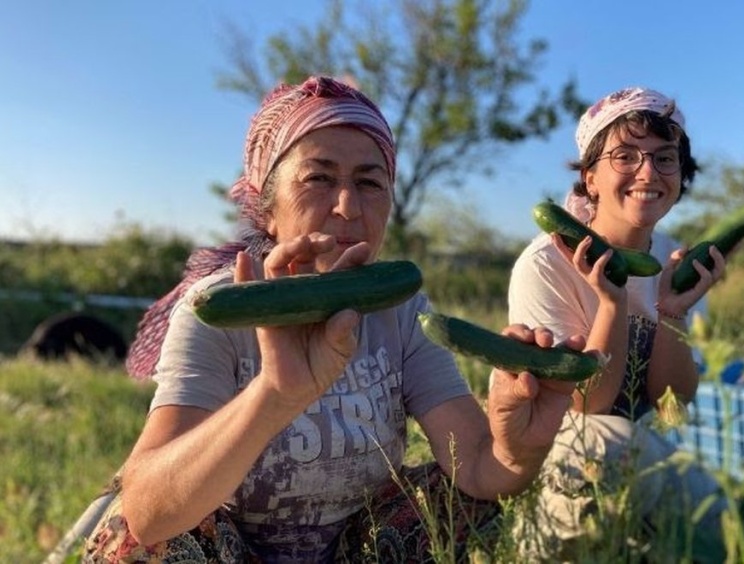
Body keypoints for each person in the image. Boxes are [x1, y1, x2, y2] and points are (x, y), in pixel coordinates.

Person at [83, 75, 582, 563]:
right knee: (134, 545)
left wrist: (516, 451)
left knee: (464, 499)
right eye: (318, 178)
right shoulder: (217, 310)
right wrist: (274, 394)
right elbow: (146, 515)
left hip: (357, 550)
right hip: (231, 552)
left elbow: (475, 466)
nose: (347, 207)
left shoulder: (402, 310)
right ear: (268, 209)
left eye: (370, 183)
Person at [507, 87, 728, 550]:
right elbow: (584, 407)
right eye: (624, 156)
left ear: (681, 175)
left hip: (645, 451)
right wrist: (612, 304)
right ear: (590, 178)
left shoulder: (676, 261)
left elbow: (671, 407)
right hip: (565, 450)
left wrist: (672, 311)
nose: (647, 171)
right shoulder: (545, 265)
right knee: (610, 449)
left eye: (665, 158)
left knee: (720, 524)